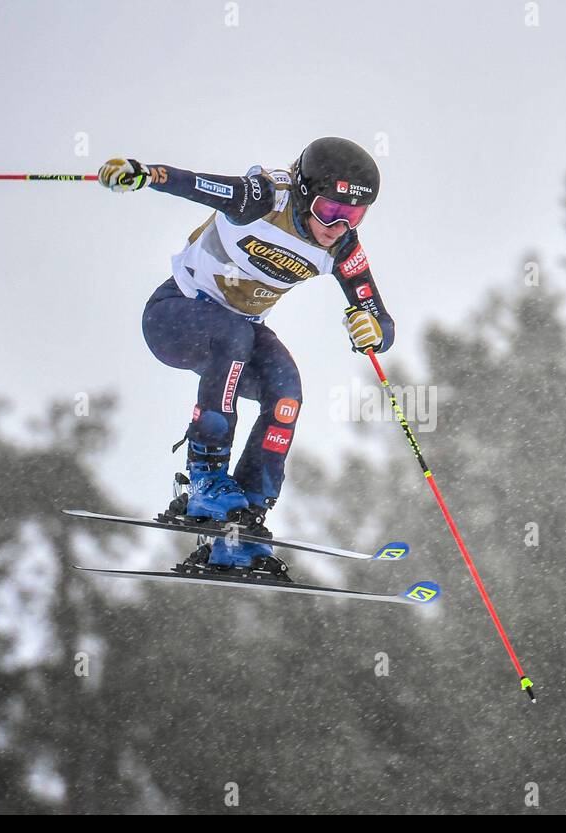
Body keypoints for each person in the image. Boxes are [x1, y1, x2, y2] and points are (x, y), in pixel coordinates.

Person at [97, 137, 394, 571]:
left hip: (235, 337)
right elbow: (195, 184)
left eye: (354, 215)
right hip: (174, 316)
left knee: (285, 389)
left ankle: (243, 523)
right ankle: (205, 478)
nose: (338, 226)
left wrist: (374, 331)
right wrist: (144, 173)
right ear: (305, 192)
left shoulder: (342, 247)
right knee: (236, 334)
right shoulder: (263, 199)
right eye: (330, 210)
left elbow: (379, 318)